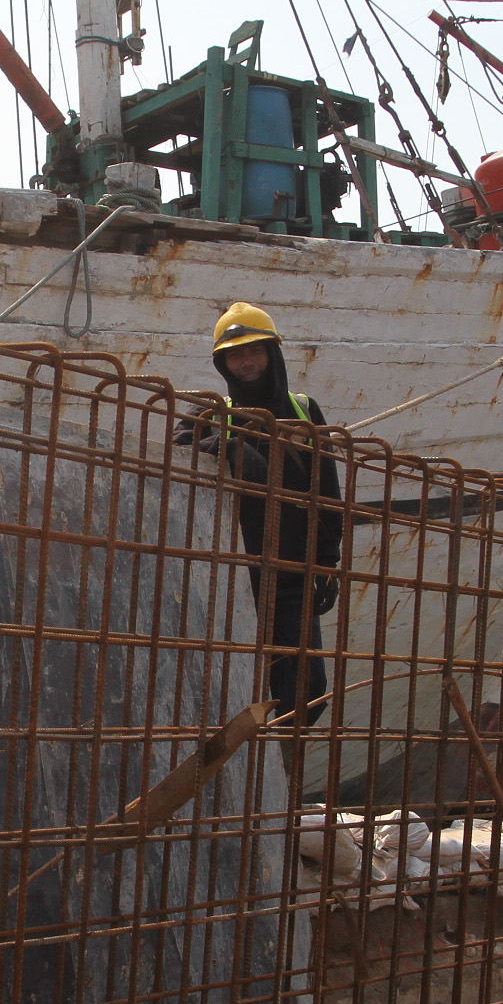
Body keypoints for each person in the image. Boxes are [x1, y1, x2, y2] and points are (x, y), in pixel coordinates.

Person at [175, 302, 344, 726]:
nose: (246, 363)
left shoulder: (305, 411)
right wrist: (227, 446)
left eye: (255, 351)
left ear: (273, 353)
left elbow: (326, 492)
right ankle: (245, 776)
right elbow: (176, 447)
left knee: (306, 693)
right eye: (235, 355)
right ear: (222, 362)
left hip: (289, 577)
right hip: (230, 578)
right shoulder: (212, 412)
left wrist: (327, 563)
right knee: (229, 687)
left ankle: (275, 769)